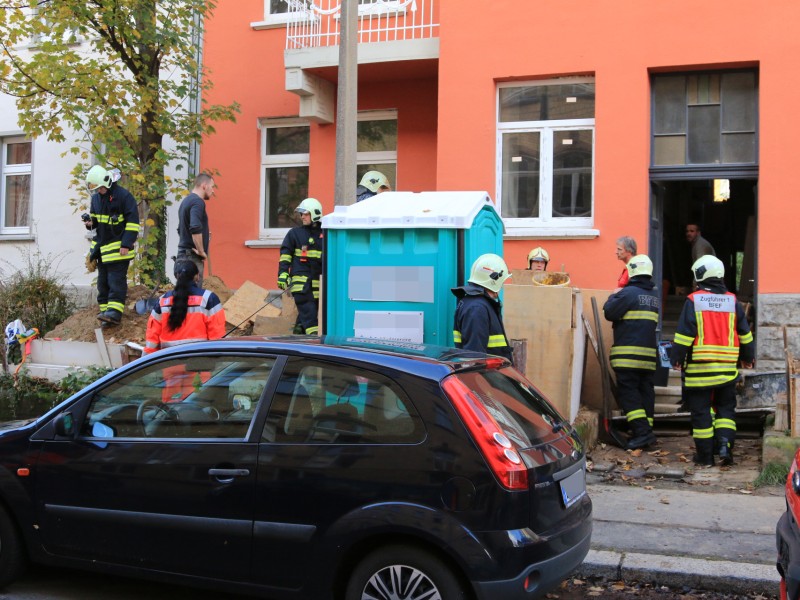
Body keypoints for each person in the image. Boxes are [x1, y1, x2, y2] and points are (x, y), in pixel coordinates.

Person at [669, 255, 754, 466]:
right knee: (725, 410)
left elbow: (684, 335)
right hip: (726, 370)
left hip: (700, 371)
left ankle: (705, 457)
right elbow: (745, 333)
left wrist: (676, 358)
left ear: (700, 275)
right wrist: (747, 357)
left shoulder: (693, 300)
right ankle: (725, 448)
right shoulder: (732, 301)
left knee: (701, 413)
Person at [603, 254, 660, 450]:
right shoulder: (653, 296)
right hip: (649, 357)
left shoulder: (628, 294)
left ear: (632, 272)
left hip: (628, 356)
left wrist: (614, 294)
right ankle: (646, 430)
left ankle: (642, 433)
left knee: (629, 394)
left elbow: (609, 312)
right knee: (646, 392)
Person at [84, 165, 140, 327]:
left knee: (116, 282)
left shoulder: (124, 197)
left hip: (118, 250)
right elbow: (96, 222)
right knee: (102, 283)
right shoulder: (96, 199)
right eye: (95, 188)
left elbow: (133, 223)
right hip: (102, 250)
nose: (97, 191)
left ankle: (114, 314)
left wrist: (126, 244)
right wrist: (89, 223)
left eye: (99, 187)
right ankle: (105, 314)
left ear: (106, 183)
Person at [144, 260, 226, 354]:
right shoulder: (209, 299)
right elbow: (217, 337)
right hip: (200, 361)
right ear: (197, 276)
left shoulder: (162, 301)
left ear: (177, 276)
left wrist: (145, 363)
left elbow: (152, 340)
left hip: (168, 361)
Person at [451, 253, 514, 364]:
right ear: (495, 280)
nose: (502, 286)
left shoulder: (479, 305)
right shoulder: (477, 308)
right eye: (502, 281)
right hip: (487, 377)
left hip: (493, 374)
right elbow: (475, 357)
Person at [278, 198, 324, 335]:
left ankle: (298, 336)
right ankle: (316, 342)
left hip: (318, 284)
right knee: (311, 319)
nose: (302, 216)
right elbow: (285, 255)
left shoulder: (326, 234)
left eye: (305, 213)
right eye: (301, 213)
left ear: (315, 213)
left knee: (307, 315)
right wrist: (283, 274)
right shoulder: (294, 234)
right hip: (301, 284)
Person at [177, 173, 215, 286]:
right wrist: (201, 251)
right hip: (191, 259)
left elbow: (181, 230)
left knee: (183, 296)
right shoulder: (198, 202)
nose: (213, 191)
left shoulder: (186, 201)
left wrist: (204, 235)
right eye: (212, 186)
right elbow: (194, 227)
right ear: (204, 185)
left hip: (182, 257)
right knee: (194, 298)